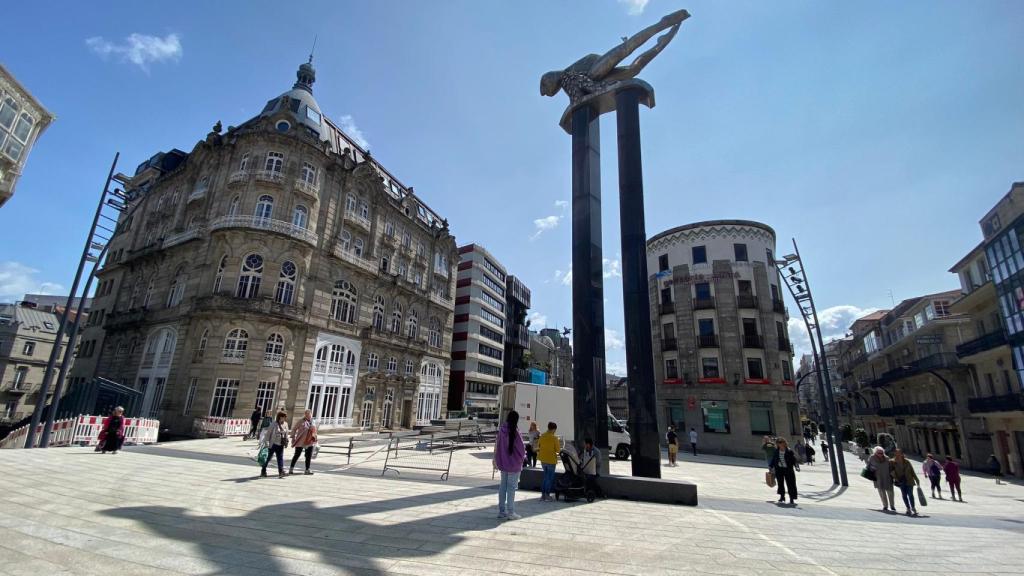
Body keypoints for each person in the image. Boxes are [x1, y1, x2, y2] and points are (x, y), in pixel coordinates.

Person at [493, 410, 526, 520]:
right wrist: (523, 459)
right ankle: (511, 512)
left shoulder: (502, 430)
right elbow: (521, 449)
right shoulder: (515, 431)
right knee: (511, 488)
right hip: (514, 464)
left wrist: (496, 460)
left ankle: (502, 511)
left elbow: (497, 445)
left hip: (503, 464)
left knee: (503, 487)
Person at [260, 411, 290, 479]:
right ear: (280, 417)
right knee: (268, 458)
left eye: (285, 417)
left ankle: (281, 472)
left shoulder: (285, 424)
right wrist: (266, 442)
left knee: (280, 458)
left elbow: (286, 433)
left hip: (280, 444)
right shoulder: (273, 424)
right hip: (273, 444)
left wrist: (286, 441)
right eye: (284, 417)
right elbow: (268, 434)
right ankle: (263, 470)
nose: (285, 418)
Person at [769, 438, 799, 504]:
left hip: (788, 469)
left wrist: (796, 466)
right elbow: (774, 459)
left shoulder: (789, 451)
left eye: (781, 442)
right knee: (780, 483)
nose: (779, 444)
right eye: (778, 443)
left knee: (791, 484)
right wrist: (771, 466)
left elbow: (794, 460)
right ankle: (782, 496)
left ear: (784, 443)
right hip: (779, 469)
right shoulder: (777, 451)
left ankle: (791, 498)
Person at [891, 449, 920, 516]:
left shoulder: (907, 462)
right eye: (896, 453)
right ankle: (908, 508)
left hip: (909, 480)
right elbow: (891, 471)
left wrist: (917, 479)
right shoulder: (893, 462)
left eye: (899, 453)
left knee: (910, 494)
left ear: (902, 454)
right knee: (904, 495)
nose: (898, 454)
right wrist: (896, 478)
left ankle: (913, 508)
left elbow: (912, 471)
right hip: (901, 481)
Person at [537, 421, 561, 501]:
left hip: (543, 459)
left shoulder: (542, 436)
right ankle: (547, 495)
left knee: (545, 477)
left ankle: (543, 495)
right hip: (551, 460)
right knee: (549, 478)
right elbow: (558, 450)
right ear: (554, 429)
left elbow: (539, 445)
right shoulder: (554, 438)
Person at [289, 409, 317, 476]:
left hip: (310, 441)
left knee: (308, 456)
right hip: (301, 441)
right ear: (305, 414)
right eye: (307, 414)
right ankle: (291, 469)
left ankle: (307, 470)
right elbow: (294, 429)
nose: (308, 415)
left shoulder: (313, 421)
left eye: (309, 414)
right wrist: (293, 437)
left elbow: (315, 431)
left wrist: (315, 438)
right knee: (297, 454)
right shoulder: (301, 421)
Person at [867, 446, 895, 512]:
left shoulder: (887, 458)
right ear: (875, 452)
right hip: (878, 477)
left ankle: (892, 505)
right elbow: (868, 466)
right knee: (882, 492)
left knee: (890, 492)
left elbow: (891, 467)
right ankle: (885, 505)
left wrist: (893, 476)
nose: (881, 454)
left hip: (888, 477)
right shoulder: (872, 458)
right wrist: (871, 468)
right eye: (879, 453)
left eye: (882, 453)